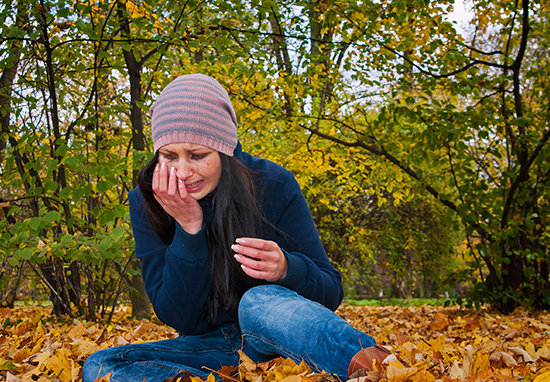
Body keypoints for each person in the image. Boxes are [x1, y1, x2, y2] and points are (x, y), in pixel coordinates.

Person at [82, 73, 389, 382]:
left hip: (277, 335)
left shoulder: (274, 183)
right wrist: (189, 229)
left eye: (198, 155)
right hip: (210, 349)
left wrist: (287, 269)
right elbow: (181, 318)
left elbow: (331, 290)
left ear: (224, 149)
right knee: (102, 366)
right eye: (169, 156)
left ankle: (382, 368)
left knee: (257, 301)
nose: (183, 172)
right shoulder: (147, 200)